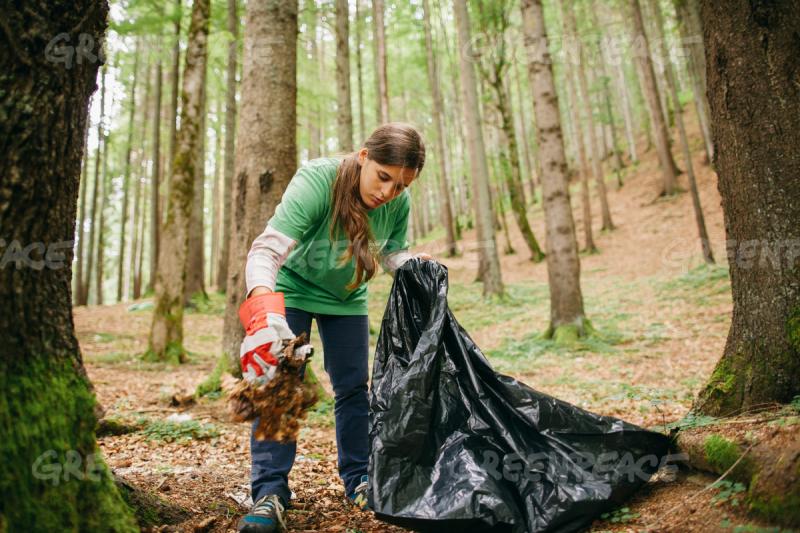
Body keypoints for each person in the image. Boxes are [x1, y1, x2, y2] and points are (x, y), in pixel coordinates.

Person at [236, 123, 434, 532]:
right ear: (364, 157)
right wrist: (265, 310)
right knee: (279, 387)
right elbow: (267, 250)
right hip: (290, 288)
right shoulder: (317, 180)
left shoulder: (398, 201)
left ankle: (360, 480)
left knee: (352, 388)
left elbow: (392, 250)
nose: (387, 193)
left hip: (347, 296)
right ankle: (269, 493)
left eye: (400, 185)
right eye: (383, 177)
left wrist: (413, 265)